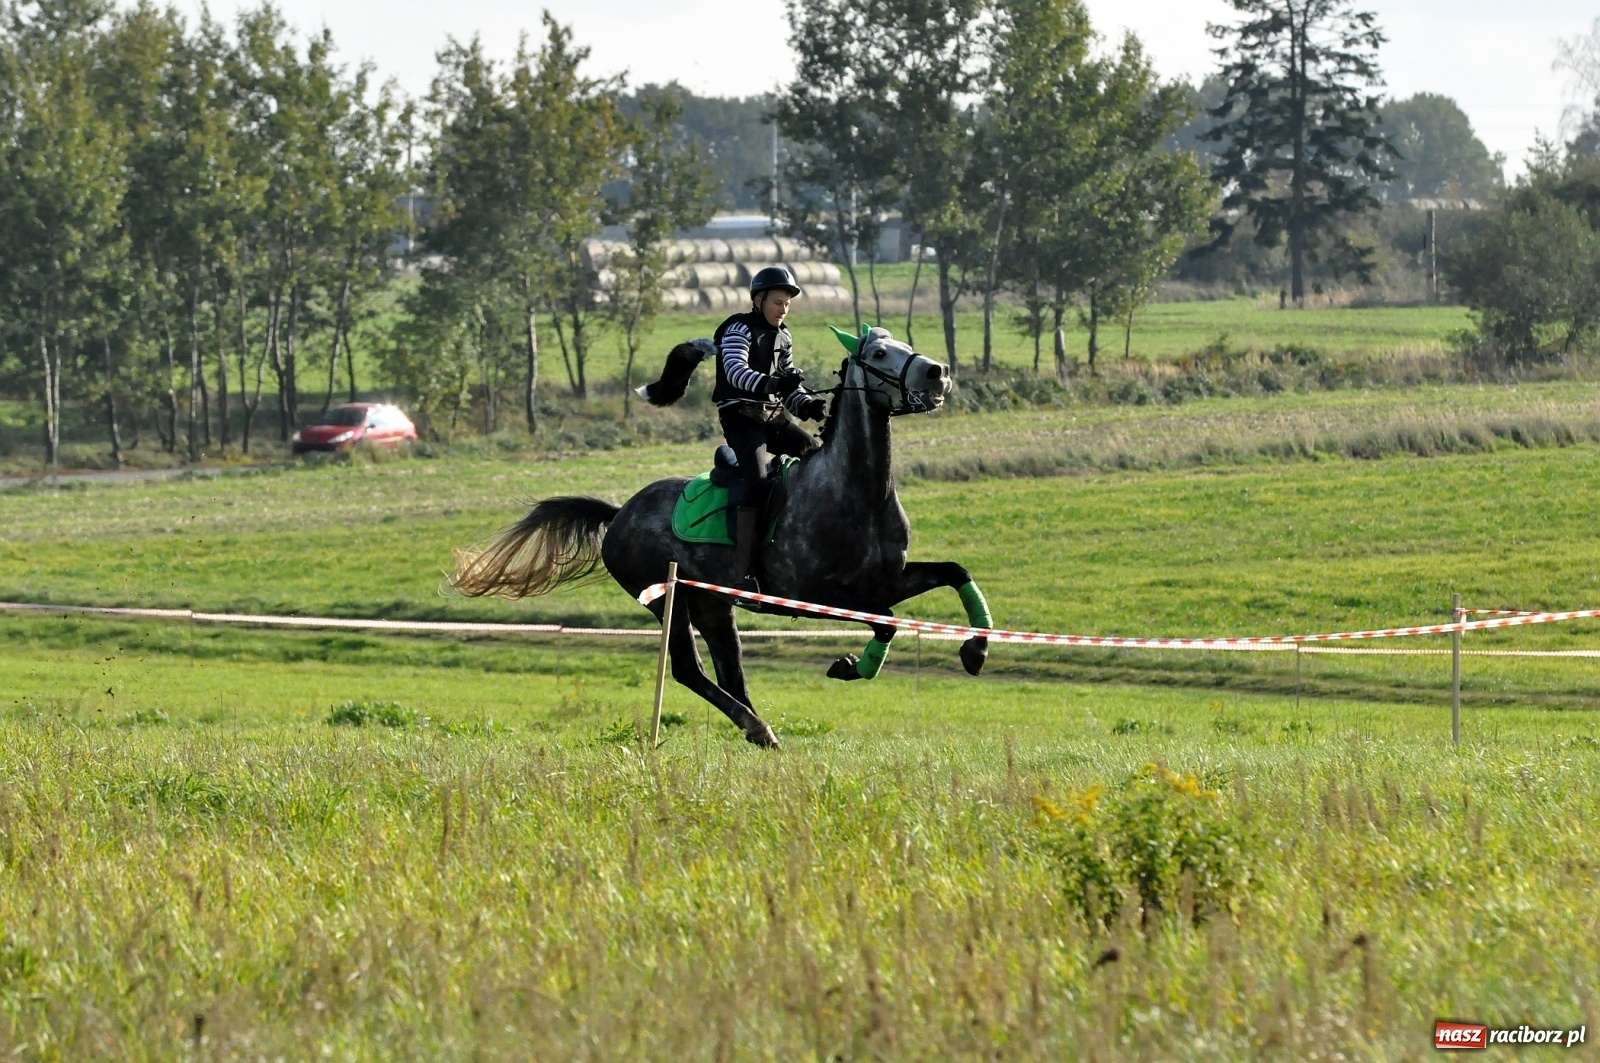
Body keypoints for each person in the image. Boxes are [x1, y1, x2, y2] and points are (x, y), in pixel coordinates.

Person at [713, 265, 827, 592]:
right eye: (778, 302)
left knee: (819, 460)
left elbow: (788, 385)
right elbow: (736, 372)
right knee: (758, 483)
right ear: (758, 299)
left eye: (787, 304)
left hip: (773, 419)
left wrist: (806, 405)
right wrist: (776, 382)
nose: (783, 309)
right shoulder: (738, 329)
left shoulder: (784, 336)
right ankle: (742, 571)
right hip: (742, 420)